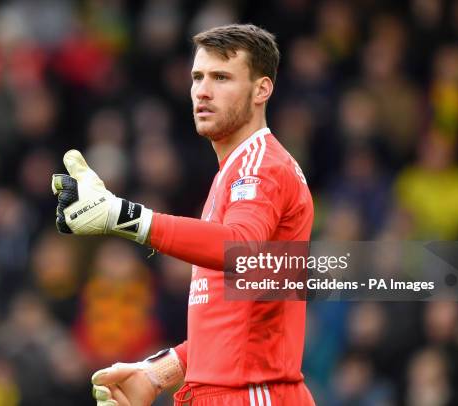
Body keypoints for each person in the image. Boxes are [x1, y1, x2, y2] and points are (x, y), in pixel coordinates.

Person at [52, 24, 315, 406]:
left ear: (262, 90)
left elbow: (240, 248)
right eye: (198, 77)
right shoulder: (236, 172)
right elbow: (241, 322)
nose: (203, 91)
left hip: (253, 396)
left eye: (221, 77)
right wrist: (158, 373)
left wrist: (123, 216)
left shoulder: (261, 168)